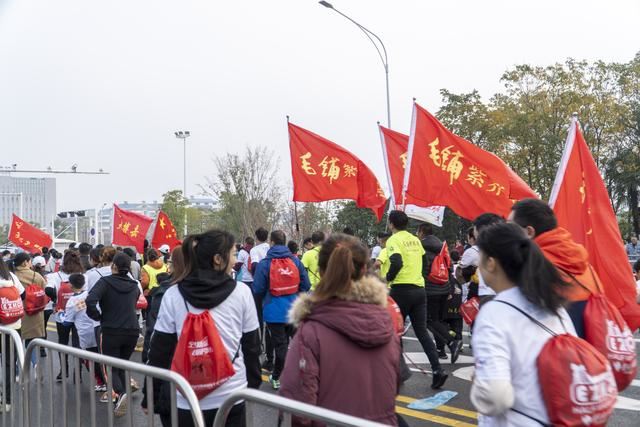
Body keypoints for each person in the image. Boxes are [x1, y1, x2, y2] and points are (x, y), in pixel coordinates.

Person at [279, 233, 401, 426]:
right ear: (364, 269)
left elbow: (299, 404)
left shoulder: (310, 331)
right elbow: (395, 384)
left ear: (320, 270)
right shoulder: (386, 321)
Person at [144, 229, 261, 427]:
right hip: (232, 394)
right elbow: (252, 346)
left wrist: (151, 395)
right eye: (232, 254)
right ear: (217, 259)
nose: (235, 260)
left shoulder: (173, 295)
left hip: (186, 395)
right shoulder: (242, 292)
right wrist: (253, 386)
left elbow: (159, 351)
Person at [471, 222, 576, 425]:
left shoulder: (494, 312)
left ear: (491, 263)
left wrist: (479, 385)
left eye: (480, 259)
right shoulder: (553, 304)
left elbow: (495, 397)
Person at [509, 198, 600, 338]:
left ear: (529, 232)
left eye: (511, 227)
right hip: (591, 349)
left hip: (560, 349)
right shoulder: (581, 260)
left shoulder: (535, 266)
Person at [385, 210, 447, 389]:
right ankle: (437, 371)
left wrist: (388, 278)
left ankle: (399, 373)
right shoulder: (415, 240)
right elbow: (425, 263)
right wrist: (419, 277)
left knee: (396, 332)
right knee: (422, 332)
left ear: (392, 224)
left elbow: (396, 262)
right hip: (419, 290)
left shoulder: (393, 240)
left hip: (400, 290)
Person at [252, 230, 311, 390]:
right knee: (300, 343)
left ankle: (277, 377)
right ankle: (304, 375)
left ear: (271, 242)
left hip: (273, 312)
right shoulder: (296, 261)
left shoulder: (265, 263)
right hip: (294, 310)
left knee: (281, 346)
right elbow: (306, 285)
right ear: (285, 242)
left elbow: (257, 289)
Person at [86, 252, 141, 417]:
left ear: (114, 266)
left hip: (111, 329)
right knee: (122, 364)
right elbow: (135, 300)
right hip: (132, 330)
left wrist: (98, 317)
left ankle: (120, 393)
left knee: (109, 367)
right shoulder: (134, 284)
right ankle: (121, 397)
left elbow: (90, 301)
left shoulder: (105, 282)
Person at [417, 223, 462, 362]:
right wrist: (449, 288)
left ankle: (452, 341)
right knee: (437, 320)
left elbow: (422, 269)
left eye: (417, 232)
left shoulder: (422, 247)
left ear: (421, 232)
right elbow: (448, 267)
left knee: (429, 321)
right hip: (444, 288)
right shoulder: (442, 247)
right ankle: (442, 349)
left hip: (430, 289)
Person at [45, 250, 84, 381]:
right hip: (79, 313)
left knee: (62, 342)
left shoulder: (54, 276)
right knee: (77, 343)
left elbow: (48, 290)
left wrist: (56, 299)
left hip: (61, 314)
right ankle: (77, 373)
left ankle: (63, 370)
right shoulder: (82, 275)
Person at [142, 246, 185, 364]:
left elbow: (155, 330)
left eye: (170, 261)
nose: (168, 264)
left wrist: (147, 357)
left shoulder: (168, 293)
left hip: (171, 358)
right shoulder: (201, 288)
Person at [63, 273, 107, 385]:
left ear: (71, 286)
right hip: (97, 329)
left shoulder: (71, 302)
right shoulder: (91, 294)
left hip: (84, 334)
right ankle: (107, 380)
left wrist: (60, 315)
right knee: (102, 357)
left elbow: (67, 323)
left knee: (89, 360)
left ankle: (101, 382)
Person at [0, 257, 24, 411]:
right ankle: (7, 401)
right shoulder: (11, 277)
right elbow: (23, 295)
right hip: (14, 326)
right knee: (9, 364)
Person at [13, 253, 47, 355]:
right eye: (30, 261)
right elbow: (44, 290)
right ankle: (34, 368)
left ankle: (16, 368)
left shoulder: (12, 276)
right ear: (25, 262)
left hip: (17, 313)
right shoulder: (36, 276)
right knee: (32, 343)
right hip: (34, 312)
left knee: (16, 343)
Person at [248, 227, 272, 371]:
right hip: (272, 285)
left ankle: (260, 345)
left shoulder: (254, 250)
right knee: (268, 316)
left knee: (258, 316)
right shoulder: (270, 248)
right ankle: (269, 346)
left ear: (256, 237)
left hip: (258, 285)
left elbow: (255, 267)